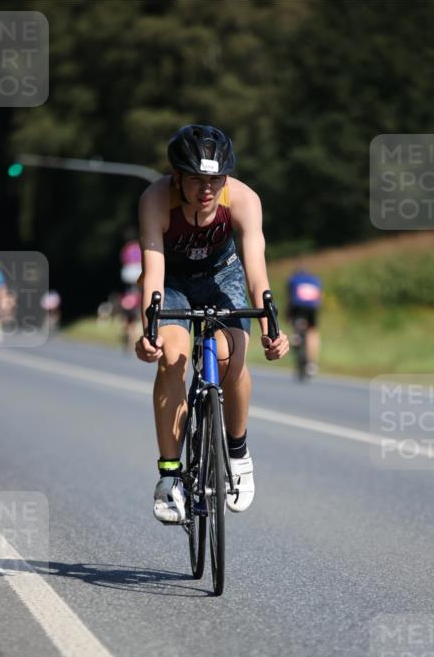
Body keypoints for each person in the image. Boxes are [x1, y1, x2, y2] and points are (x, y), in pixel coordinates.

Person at [136, 124, 289, 523]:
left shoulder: (243, 199)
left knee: (228, 358)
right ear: (177, 177)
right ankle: (169, 477)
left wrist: (272, 328)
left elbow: (257, 271)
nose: (207, 189)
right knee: (173, 358)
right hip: (173, 281)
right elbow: (152, 273)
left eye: (215, 180)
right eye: (197, 180)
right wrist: (148, 330)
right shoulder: (155, 199)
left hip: (225, 276)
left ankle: (237, 452)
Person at [286, 269, 323, 377]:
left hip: (297, 306)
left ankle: (295, 336)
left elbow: (290, 297)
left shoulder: (293, 279)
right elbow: (319, 298)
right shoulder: (315, 280)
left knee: (295, 322)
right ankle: (312, 364)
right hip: (312, 308)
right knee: (312, 332)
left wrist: (288, 314)